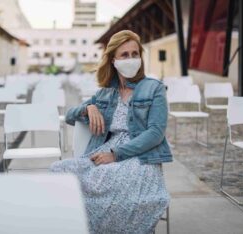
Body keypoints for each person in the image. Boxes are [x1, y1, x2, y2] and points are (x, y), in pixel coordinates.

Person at [50, 30, 173, 234]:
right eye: (125, 55)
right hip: (104, 151)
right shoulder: (106, 93)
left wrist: (116, 155)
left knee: (103, 177)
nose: (131, 59)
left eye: (135, 54)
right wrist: (88, 108)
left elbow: (156, 132)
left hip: (140, 157)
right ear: (113, 60)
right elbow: (70, 116)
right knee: (59, 170)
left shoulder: (154, 88)